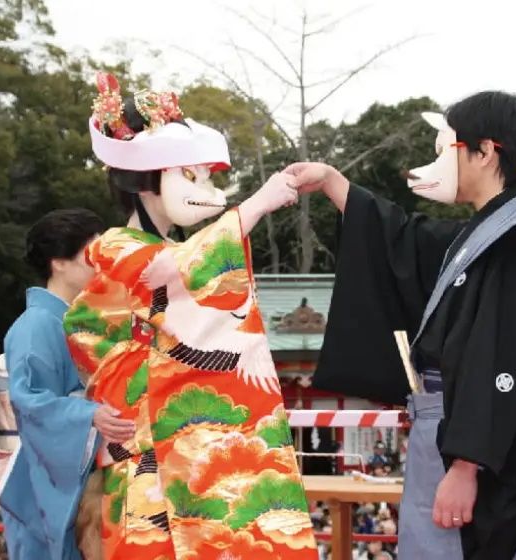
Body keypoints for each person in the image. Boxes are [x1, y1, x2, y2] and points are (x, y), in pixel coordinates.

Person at [285, 91, 516, 559]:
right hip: (455, 432)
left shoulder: (512, 239)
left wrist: (465, 466)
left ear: (484, 152)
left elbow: (497, 355)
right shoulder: (491, 229)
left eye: (445, 149)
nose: (436, 162)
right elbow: (407, 237)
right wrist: (335, 183)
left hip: (481, 449)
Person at [63, 73, 316, 559]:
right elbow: (175, 270)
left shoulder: (171, 250)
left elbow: (191, 273)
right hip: (144, 458)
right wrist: (257, 204)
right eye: (191, 174)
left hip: (184, 449)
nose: (205, 187)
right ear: (145, 182)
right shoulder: (115, 247)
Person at [0, 208, 135, 559]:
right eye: (92, 254)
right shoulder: (36, 326)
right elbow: (30, 402)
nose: (102, 264)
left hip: (91, 467)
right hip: (51, 485)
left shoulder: (89, 321)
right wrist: (87, 414)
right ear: (59, 262)